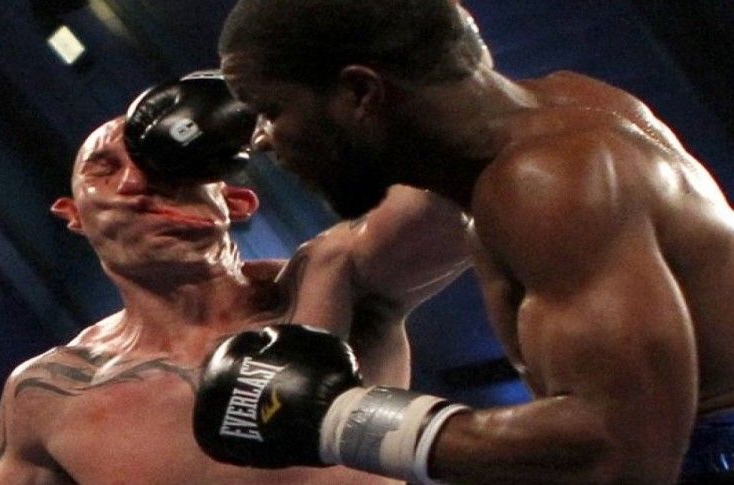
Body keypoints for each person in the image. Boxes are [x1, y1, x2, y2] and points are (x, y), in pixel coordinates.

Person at [204, 0, 734, 483]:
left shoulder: (548, 183)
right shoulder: (558, 112)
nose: (262, 139)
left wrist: (340, 419)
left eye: (271, 108)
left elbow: (622, 454)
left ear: (360, 93)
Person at [0, 95, 473, 482]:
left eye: (167, 166)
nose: (136, 182)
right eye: (105, 168)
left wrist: (291, 107)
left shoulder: (334, 279)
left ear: (235, 204)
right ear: (73, 215)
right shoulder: (48, 391)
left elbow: (464, 183)